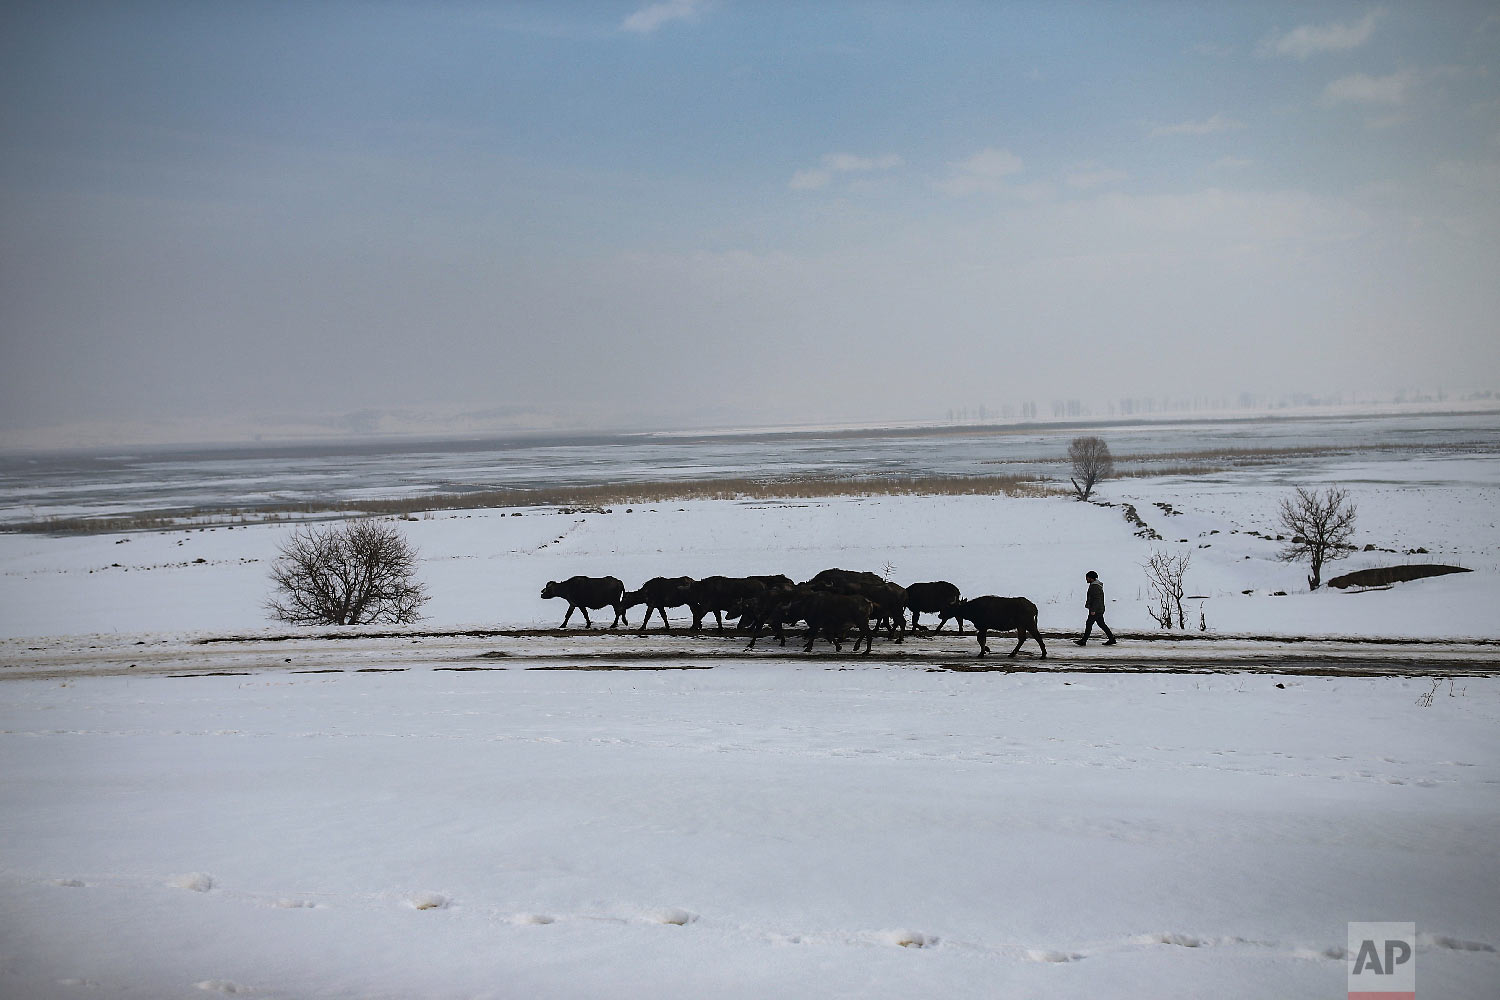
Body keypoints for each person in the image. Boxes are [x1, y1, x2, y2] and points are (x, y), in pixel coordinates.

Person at [1074, 570, 1116, 646]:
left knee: (1089, 623)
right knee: (1101, 624)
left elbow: (1096, 599)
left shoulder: (1095, 587)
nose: (1086, 579)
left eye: (1087, 578)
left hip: (1096, 610)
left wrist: (1093, 610)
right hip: (1099, 609)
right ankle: (1112, 639)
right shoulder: (1095, 585)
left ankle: (1083, 641)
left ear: (1091, 578)